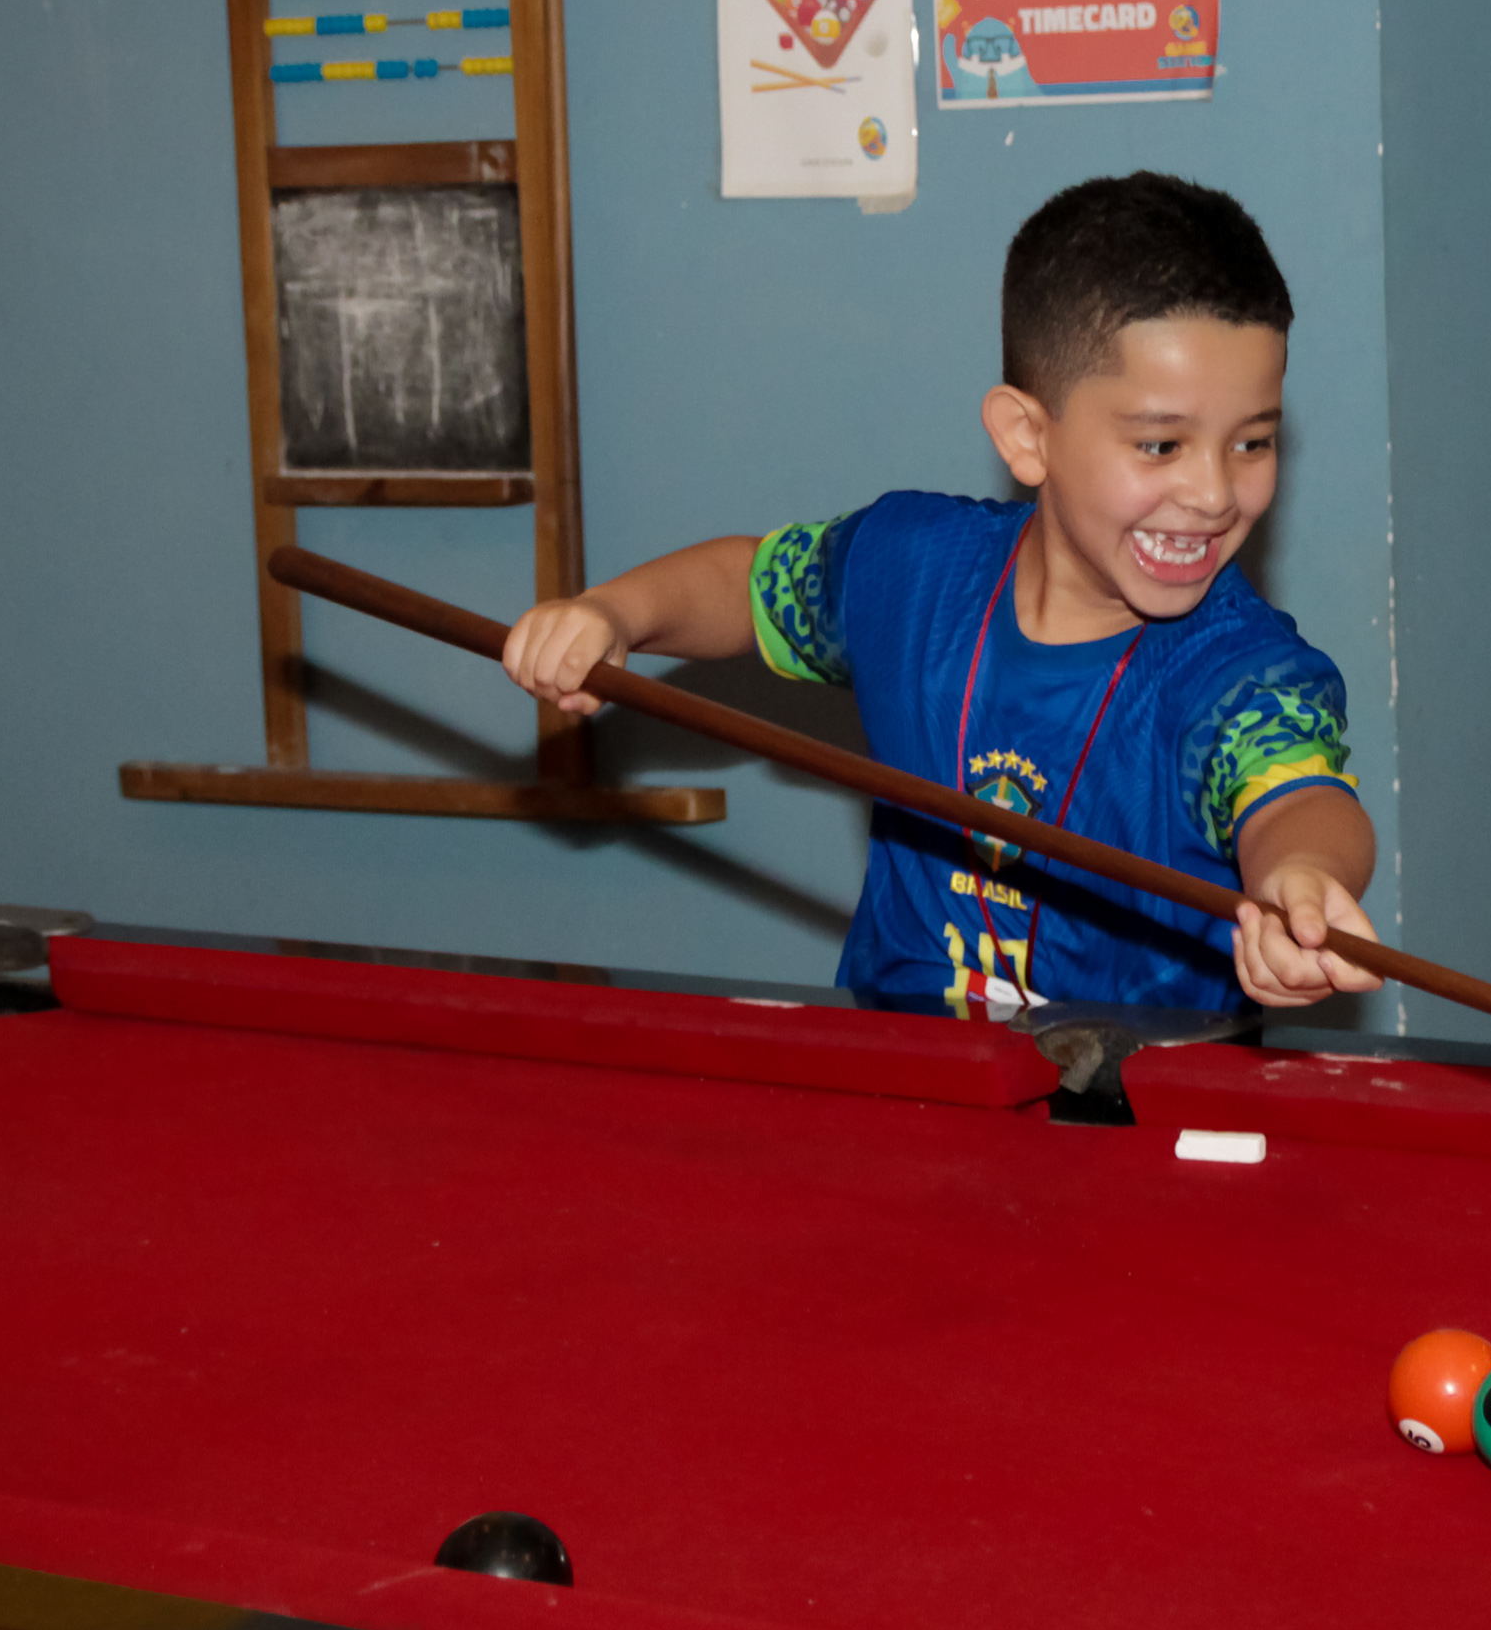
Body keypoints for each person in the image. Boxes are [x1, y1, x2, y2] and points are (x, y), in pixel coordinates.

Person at [499, 171, 1379, 1017]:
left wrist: (1302, 881)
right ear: (1026, 436)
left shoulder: (1247, 673)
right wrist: (615, 613)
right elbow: (745, 582)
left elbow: (1300, 799)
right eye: (1161, 446)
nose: (1215, 493)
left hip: (1140, 1105)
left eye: (1252, 443)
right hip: (891, 1081)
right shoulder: (911, 566)